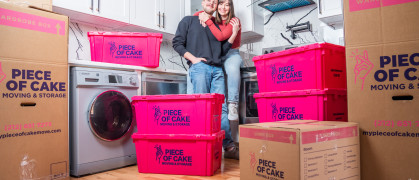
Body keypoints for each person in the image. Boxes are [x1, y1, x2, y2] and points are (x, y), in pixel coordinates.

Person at [172, 0, 240, 159]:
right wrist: (193, 59)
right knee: (201, 109)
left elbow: (222, 52)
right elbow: (177, 43)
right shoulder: (188, 20)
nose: (212, 3)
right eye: (209, 0)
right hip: (200, 68)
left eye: (215, 2)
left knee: (221, 110)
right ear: (203, 2)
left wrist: (234, 33)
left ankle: (228, 147)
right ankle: (200, 148)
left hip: (217, 70)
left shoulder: (215, 26)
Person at [197, 0, 242, 147]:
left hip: (231, 54)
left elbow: (221, 37)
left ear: (230, 7)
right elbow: (196, 16)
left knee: (232, 69)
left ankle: (233, 104)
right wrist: (200, 14)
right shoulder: (213, 20)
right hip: (217, 56)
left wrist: (207, 20)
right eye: (221, 3)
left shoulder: (234, 21)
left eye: (227, 4)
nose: (223, 7)